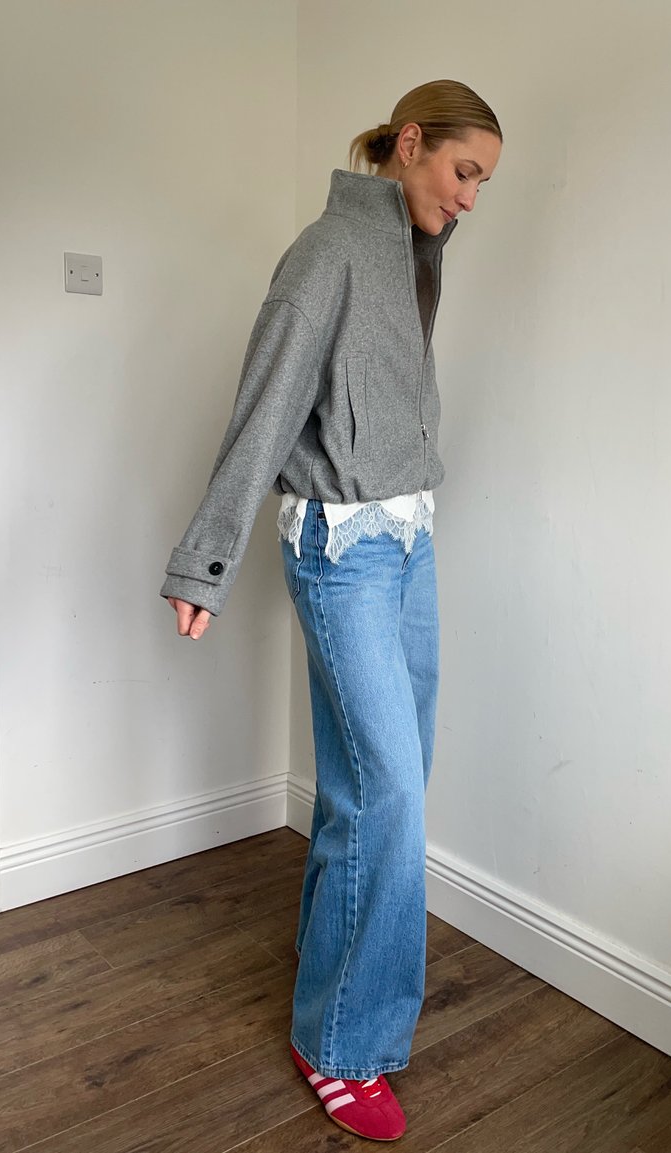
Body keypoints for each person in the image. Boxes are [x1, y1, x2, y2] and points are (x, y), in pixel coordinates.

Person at [161, 79, 502, 1142]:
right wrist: (204, 563)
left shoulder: (412, 254)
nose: (471, 197)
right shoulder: (325, 254)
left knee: (375, 789)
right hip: (340, 552)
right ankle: (341, 1044)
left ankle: (330, 989)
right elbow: (265, 404)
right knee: (388, 793)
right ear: (409, 145)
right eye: (463, 171)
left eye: (483, 181)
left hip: (407, 542)